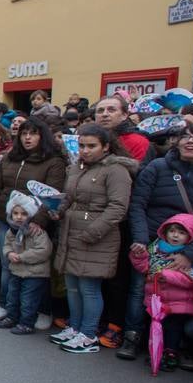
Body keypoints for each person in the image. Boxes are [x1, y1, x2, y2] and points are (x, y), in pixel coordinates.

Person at [120, 120, 193, 361]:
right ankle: (133, 336)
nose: (190, 141)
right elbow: (137, 205)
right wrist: (139, 239)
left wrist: (189, 254)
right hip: (149, 242)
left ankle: (172, 345)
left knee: (182, 297)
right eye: (185, 136)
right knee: (139, 291)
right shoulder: (157, 167)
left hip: (188, 247)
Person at [49, 124, 137, 353]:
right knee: (72, 286)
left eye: (91, 146)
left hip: (96, 237)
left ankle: (88, 334)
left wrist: (93, 231)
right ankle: (75, 327)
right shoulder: (77, 167)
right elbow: (69, 196)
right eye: (81, 145)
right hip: (71, 232)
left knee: (89, 287)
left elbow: (118, 207)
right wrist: (58, 210)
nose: (85, 150)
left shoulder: (116, 170)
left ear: (106, 146)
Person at [0, 115, 67, 322]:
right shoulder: (10, 158)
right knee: (8, 263)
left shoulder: (53, 162)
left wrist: (39, 222)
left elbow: (52, 194)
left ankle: (42, 311)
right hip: (6, 219)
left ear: (42, 136)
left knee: (36, 268)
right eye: (24, 134)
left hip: (35, 223)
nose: (27, 138)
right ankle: (6, 306)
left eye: (33, 134)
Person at [130, 214, 193, 371]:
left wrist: (166, 276)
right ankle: (155, 352)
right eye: (172, 231)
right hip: (156, 300)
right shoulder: (155, 248)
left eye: (181, 232)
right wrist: (138, 256)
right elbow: (144, 268)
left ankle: (171, 353)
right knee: (156, 326)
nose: (175, 235)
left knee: (173, 328)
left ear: (190, 235)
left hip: (179, 302)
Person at [0, 192, 53, 334]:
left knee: (28, 300)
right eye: (15, 213)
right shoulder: (12, 231)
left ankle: (27, 323)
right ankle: (12, 317)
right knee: (12, 296)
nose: (18, 217)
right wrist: (9, 253)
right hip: (17, 270)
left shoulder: (37, 232)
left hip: (35, 273)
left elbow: (44, 250)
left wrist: (22, 257)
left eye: (23, 214)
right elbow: (7, 245)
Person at [94, 94, 152, 163]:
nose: (104, 114)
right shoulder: (85, 139)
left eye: (111, 110)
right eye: (100, 111)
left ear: (124, 115)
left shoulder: (138, 142)